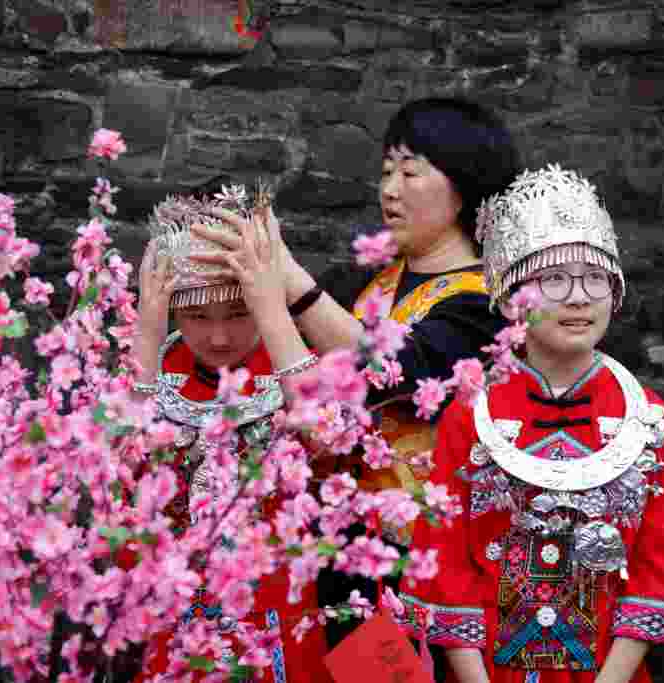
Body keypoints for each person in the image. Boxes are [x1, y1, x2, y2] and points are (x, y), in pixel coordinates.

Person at [192, 97, 522, 651]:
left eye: (411, 171)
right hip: (343, 550)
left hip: (430, 563)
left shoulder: (489, 304)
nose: (390, 189)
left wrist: (287, 281)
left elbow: (401, 372)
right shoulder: (362, 286)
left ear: (464, 183)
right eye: (386, 171)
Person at [396, 165, 664, 683]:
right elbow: (445, 566)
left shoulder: (652, 423)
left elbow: (661, 568)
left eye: (595, 278)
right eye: (554, 279)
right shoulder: (468, 418)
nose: (579, 297)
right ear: (512, 295)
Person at [129, 187, 330, 683]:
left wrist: (273, 310)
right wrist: (148, 338)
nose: (218, 338)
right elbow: (117, 467)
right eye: (197, 316)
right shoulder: (153, 371)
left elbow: (327, 435)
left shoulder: (290, 368)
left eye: (238, 313)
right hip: (172, 616)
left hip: (274, 616)